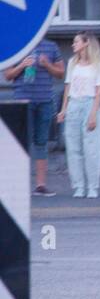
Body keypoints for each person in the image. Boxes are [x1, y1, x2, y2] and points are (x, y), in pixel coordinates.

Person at [4, 38, 65, 196]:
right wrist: (22, 65)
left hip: (44, 100)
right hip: (23, 101)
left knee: (41, 142)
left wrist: (47, 65)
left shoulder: (51, 46)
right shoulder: (16, 44)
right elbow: (8, 75)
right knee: (20, 143)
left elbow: (60, 73)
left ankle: (40, 185)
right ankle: (18, 184)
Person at [56, 32, 100, 199]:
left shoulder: (99, 64)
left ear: (86, 43)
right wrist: (64, 109)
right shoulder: (72, 63)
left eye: (76, 41)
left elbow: (99, 91)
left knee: (92, 149)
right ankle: (78, 186)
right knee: (73, 149)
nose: (73, 44)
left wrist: (93, 115)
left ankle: (93, 187)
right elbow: (68, 87)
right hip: (74, 105)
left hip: (89, 104)